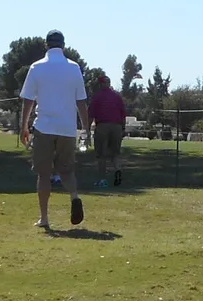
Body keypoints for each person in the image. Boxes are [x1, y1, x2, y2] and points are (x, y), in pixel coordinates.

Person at [18, 30, 88, 230]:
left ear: (46, 45)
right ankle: (74, 196)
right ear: (63, 45)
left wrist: (24, 126)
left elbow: (28, 100)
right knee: (67, 170)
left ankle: (44, 217)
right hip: (67, 128)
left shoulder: (36, 67)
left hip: (44, 127)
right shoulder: (74, 68)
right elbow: (81, 101)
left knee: (44, 173)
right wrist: (85, 129)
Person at [88, 73, 128, 188]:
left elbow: (91, 114)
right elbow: (123, 113)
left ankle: (102, 180)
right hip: (117, 126)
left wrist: (86, 128)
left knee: (101, 155)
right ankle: (117, 172)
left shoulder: (97, 96)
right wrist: (123, 128)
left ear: (100, 84)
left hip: (103, 126)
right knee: (115, 154)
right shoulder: (117, 96)